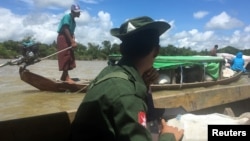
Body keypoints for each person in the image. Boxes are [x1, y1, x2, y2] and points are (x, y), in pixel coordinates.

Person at [69, 16, 184, 141]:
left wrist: (144, 84)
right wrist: (169, 136)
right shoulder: (127, 94)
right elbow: (129, 101)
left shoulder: (109, 72)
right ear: (156, 51)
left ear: (122, 49)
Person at [57, 4, 81, 83]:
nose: (78, 13)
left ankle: (64, 76)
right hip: (63, 37)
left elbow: (72, 33)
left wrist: (73, 40)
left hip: (69, 37)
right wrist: (71, 41)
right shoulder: (67, 17)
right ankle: (67, 77)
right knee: (65, 55)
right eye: (76, 12)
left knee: (70, 56)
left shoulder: (74, 22)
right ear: (72, 12)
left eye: (79, 12)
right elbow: (65, 28)